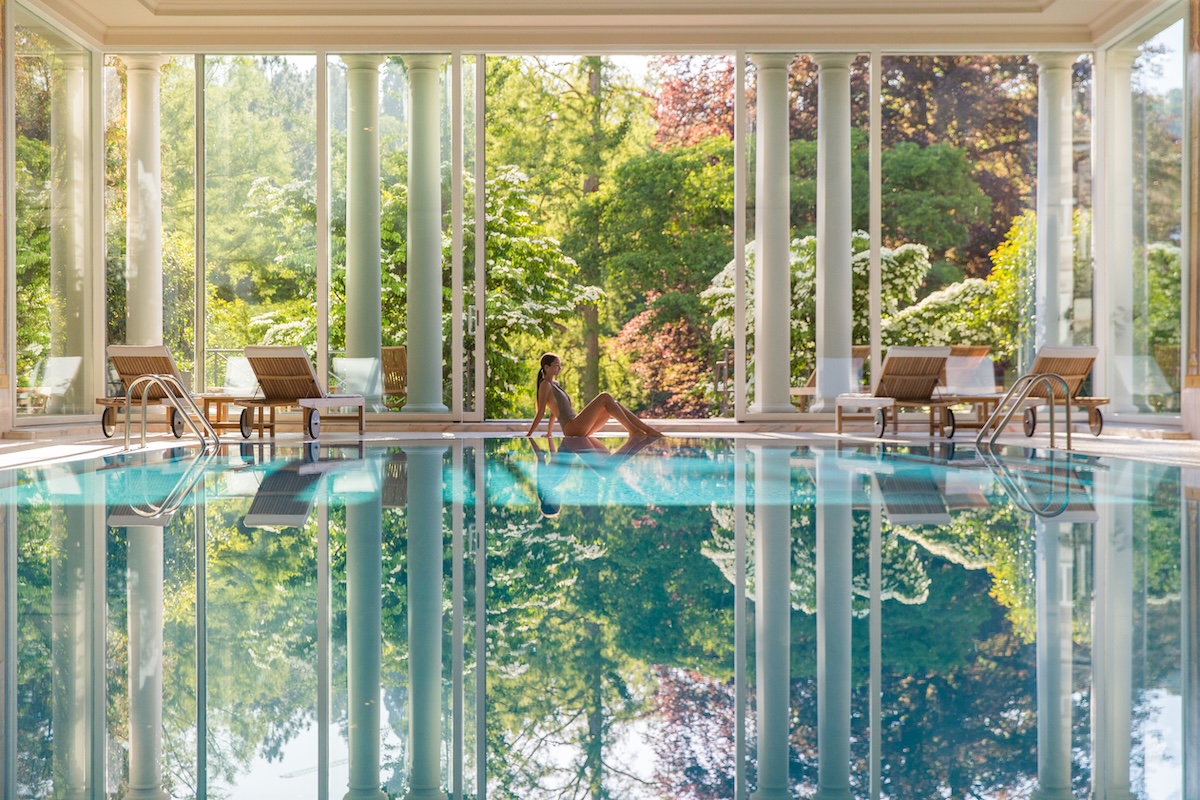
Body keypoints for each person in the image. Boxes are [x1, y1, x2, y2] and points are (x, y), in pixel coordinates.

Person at [525, 352, 663, 438]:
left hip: (577, 426)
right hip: (572, 428)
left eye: (560, 365)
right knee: (604, 396)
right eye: (556, 365)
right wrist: (529, 434)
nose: (559, 368)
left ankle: (646, 430)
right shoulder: (545, 385)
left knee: (614, 405)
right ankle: (633, 430)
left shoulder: (555, 384)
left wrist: (549, 433)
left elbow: (554, 411)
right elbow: (541, 412)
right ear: (546, 368)